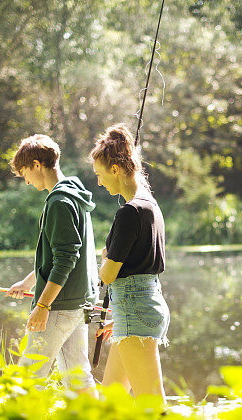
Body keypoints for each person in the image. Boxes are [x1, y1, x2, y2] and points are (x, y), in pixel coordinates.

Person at [5, 134, 99, 394]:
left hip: (58, 306)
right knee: (77, 376)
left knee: (28, 375)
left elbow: (66, 259)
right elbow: (58, 255)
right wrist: (27, 283)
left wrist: (43, 305)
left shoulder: (59, 202)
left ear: (37, 165)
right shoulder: (74, 192)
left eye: (25, 172)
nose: (25, 180)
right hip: (77, 302)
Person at [89, 124, 169, 403]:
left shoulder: (130, 211)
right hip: (137, 306)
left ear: (115, 170)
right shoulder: (150, 206)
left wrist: (104, 259)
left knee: (152, 404)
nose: (99, 182)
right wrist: (121, 314)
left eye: (99, 175)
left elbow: (109, 275)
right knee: (111, 402)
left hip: (136, 311)